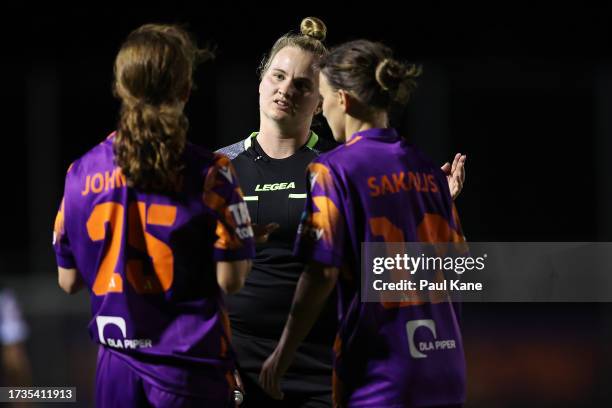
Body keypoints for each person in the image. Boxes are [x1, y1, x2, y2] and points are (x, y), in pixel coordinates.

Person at [218, 18, 466, 408]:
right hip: (237, 369)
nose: (286, 90)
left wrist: (427, 209)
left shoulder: (337, 169)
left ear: (325, 100)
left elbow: (382, 268)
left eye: (303, 85)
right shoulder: (218, 168)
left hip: (323, 368)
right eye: (278, 76)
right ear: (261, 79)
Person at [52, 24, 254, 407]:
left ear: (122, 89)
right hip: (189, 369)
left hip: (116, 370)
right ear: (185, 90)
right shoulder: (211, 172)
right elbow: (231, 280)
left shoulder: (78, 173)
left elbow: (68, 281)